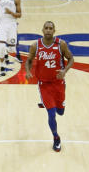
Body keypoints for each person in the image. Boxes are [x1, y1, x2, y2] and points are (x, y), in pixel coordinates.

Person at [24, 20, 74, 152]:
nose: (48, 30)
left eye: (50, 28)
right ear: (42, 30)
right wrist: (28, 71)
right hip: (44, 84)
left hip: (58, 84)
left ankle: (53, 104)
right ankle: (56, 138)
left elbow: (71, 59)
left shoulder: (61, 44)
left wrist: (64, 71)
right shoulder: (36, 46)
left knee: (60, 112)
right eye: (46, 28)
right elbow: (28, 61)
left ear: (54, 30)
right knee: (51, 114)